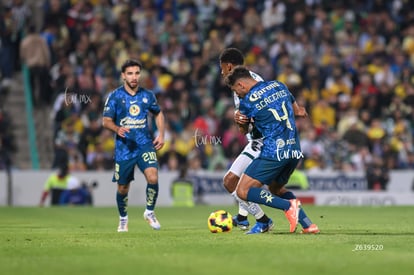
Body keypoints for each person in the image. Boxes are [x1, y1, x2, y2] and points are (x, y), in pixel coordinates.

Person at [225, 66, 319, 234]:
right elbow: (295, 107)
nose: (238, 95)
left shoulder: (247, 102)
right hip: (294, 150)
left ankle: (287, 206)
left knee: (243, 190)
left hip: (273, 151)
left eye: (236, 91)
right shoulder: (279, 85)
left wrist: (239, 120)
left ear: (240, 85)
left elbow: (244, 132)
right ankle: (308, 224)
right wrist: (299, 111)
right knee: (276, 189)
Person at [102, 59, 165, 232]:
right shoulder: (115, 96)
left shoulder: (148, 95)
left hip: (145, 144)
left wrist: (161, 134)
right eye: (130, 73)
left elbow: (159, 114)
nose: (134, 77)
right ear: (123, 76)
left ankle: (149, 212)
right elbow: (105, 121)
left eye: (137, 73)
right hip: (124, 149)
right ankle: (123, 219)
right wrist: (117, 128)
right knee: (123, 187)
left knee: (153, 177)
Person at [219, 47, 274, 234]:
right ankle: (243, 218)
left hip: (263, 142)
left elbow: (262, 111)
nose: (221, 73)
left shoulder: (251, 84)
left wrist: (244, 121)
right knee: (237, 182)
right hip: (256, 141)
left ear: (228, 66)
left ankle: (264, 220)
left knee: (231, 182)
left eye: (222, 69)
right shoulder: (246, 80)